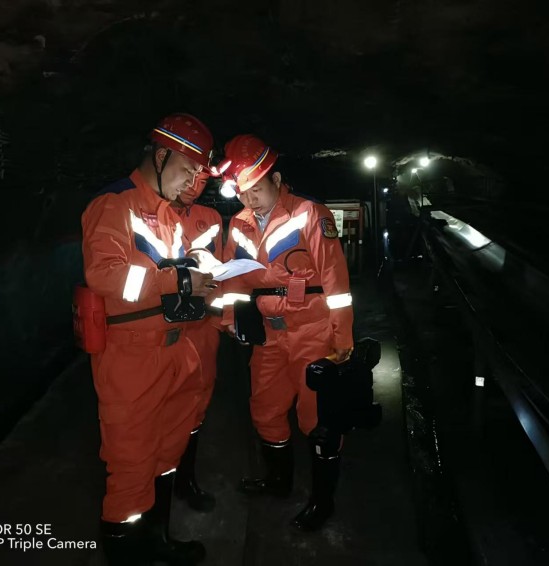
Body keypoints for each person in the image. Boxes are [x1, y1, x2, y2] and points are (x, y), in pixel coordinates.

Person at [81, 113, 215, 565]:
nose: (191, 183)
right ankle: (127, 554)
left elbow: (169, 273)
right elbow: (105, 276)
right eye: (187, 170)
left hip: (175, 350)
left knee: (167, 451)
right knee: (132, 465)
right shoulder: (113, 204)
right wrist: (178, 281)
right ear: (160, 156)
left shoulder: (168, 214)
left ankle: (157, 544)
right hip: (131, 359)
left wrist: (195, 275)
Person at [218, 134, 354, 531]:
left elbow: (336, 281)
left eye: (257, 190)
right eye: (243, 193)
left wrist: (342, 337)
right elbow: (232, 278)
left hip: (313, 332)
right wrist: (230, 318)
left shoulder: (310, 213)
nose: (251, 200)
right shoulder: (239, 224)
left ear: (276, 180)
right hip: (269, 335)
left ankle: (322, 500)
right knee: (265, 409)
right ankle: (279, 481)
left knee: (318, 418)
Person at [169, 171, 224, 512]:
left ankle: (186, 480)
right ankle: (155, 480)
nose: (194, 187)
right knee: (161, 403)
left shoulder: (211, 217)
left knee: (197, 402)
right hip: (164, 327)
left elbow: (220, 273)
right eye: (190, 177)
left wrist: (219, 320)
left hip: (202, 327)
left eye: (202, 181)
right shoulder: (148, 214)